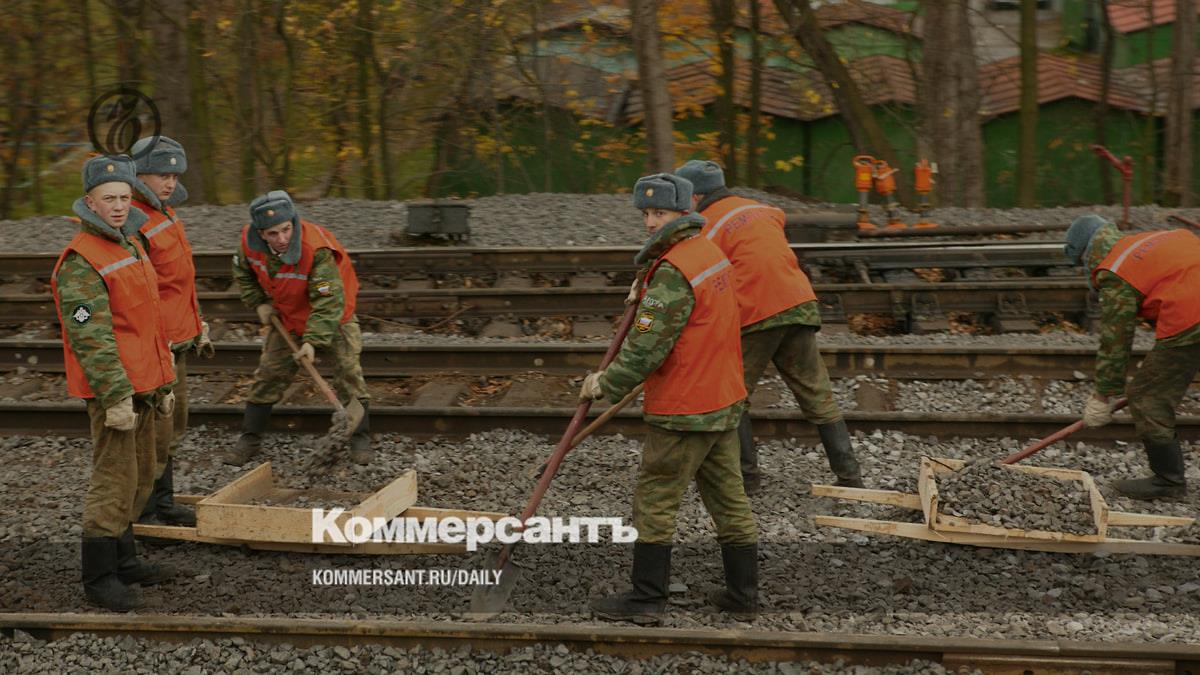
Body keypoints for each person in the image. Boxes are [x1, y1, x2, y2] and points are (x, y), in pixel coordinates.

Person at [582, 173, 758, 625]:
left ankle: (646, 601)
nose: (648, 223)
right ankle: (743, 594)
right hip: (724, 400)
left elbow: (645, 345)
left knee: (656, 498)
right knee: (728, 498)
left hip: (685, 408)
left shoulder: (673, 272)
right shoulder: (708, 253)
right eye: (644, 213)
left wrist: (607, 382)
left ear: (683, 213)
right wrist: (647, 285)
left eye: (657, 213)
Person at [675, 159, 863, 494]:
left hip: (755, 312)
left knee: (734, 396)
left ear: (694, 197)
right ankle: (851, 478)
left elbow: (702, 278)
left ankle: (748, 481)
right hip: (799, 304)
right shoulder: (760, 209)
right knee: (817, 394)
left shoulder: (705, 225)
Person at [52, 155, 178, 611]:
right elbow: (93, 337)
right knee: (113, 480)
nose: (120, 206)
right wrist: (115, 396)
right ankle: (99, 578)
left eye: (125, 197)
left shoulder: (131, 245)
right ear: (90, 202)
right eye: (110, 199)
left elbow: (148, 324)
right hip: (117, 393)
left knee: (140, 476)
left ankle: (125, 561)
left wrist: (163, 385)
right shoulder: (82, 260)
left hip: (146, 386)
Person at [225, 190, 371, 465]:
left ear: (293, 222)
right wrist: (259, 302)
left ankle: (359, 438)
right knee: (269, 373)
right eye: (272, 234)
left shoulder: (315, 249)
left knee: (348, 372)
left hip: (334, 316)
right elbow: (242, 273)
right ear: (260, 233)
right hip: (288, 316)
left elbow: (327, 300)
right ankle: (250, 437)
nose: (281, 239)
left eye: (286, 230)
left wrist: (312, 342)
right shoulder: (248, 242)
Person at [1065, 215, 1200, 499]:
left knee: (1146, 395)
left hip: (1191, 315)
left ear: (1087, 255)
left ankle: (1168, 482)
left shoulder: (1114, 271)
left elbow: (1116, 339)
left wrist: (1103, 395)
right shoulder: (1145, 241)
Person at [130, 135, 213, 527]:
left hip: (176, 338)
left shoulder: (165, 213)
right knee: (156, 429)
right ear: (139, 173)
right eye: (163, 173)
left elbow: (178, 280)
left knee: (173, 423)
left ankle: (162, 503)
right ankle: (145, 512)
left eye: (175, 174)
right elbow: (137, 291)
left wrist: (196, 324)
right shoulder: (134, 220)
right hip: (156, 345)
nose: (170, 182)